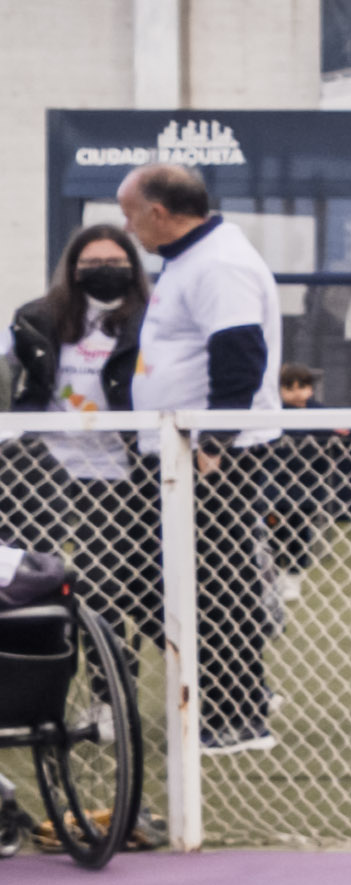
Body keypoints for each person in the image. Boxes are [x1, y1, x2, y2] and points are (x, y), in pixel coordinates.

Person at [111, 162, 284, 755]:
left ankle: (238, 712)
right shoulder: (192, 259)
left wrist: (214, 442)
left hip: (206, 455)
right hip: (175, 450)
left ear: (159, 212)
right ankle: (231, 687)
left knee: (214, 581)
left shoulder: (220, 262)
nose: (125, 226)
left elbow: (241, 352)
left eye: (129, 212)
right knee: (133, 574)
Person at [7, 220, 155, 651]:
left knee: (105, 586)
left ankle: (110, 702)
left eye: (114, 260)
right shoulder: (36, 316)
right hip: (45, 468)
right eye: (92, 262)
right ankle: (43, 687)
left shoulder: (152, 318)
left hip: (118, 471)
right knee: (37, 581)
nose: (104, 268)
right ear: (73, 269)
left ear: (132, 265)